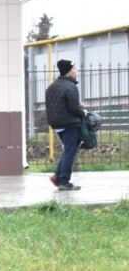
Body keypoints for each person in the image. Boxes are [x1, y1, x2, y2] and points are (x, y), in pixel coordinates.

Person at [45, 59, 85, 191]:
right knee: (70, 150)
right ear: (68, 71)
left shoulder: (52, 86)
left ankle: (58, 176)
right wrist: (83, 112)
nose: (76, 71)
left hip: (56, 124)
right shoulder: (71, 87)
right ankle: (64, 181)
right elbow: (73, 108)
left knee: (69, 149)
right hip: (69, 123)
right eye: (74, 69)